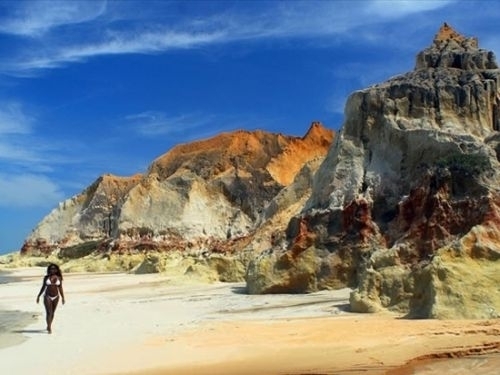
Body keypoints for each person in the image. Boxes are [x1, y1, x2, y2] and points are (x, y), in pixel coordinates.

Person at [36, 263, 65, 334]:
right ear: (49, 270)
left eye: (54, 269)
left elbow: (60, 288)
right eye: (51, 269)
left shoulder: (59, 278)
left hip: (56, 297)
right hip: (47, 296)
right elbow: (43, 287)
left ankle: (49, 324)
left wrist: (63, 297)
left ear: (56, 270)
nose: (53, 270)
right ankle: (49, 327)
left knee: (53, 313)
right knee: (49, 312)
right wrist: (38, 296)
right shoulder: (46, 277)